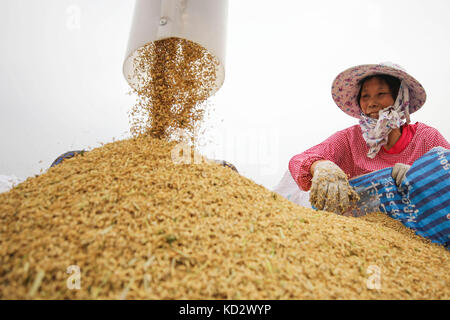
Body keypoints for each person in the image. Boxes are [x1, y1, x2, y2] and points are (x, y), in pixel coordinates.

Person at [288, 62, 450, 214]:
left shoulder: (426, 138)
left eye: (381, 94)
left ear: (400, 98)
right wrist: (320, 166)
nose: (371, 103)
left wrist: (422, 175)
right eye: (365, 96)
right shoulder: (350, 139)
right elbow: (299, 160)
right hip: (361, 230)